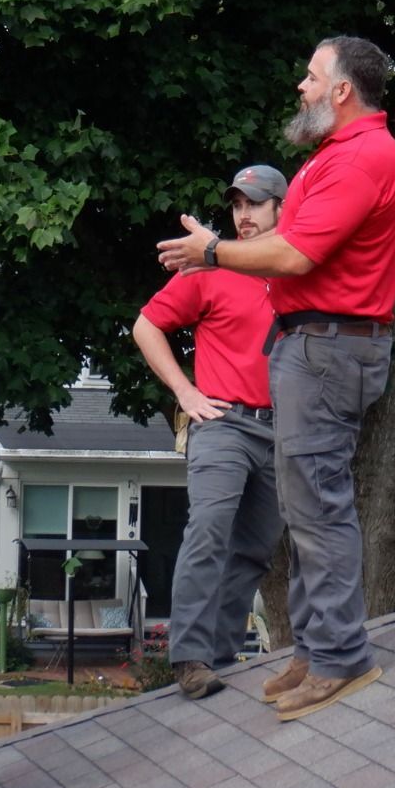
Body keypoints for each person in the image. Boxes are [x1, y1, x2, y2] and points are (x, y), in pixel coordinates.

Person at [157, 36, 395, 721]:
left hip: (330, 347)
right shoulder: (333, 158)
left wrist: (212, 250)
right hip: (313, 346)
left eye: (311, 75)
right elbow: (283, 252)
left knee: (319, 502)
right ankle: (316, 648)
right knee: (302, 505)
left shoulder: (363, 157)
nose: (300, 85)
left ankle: (340, 656)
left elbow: (295, 255)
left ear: (341, 91)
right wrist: (221, 256)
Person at [134, 164, 288, 699]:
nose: (243, 214)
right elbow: (146, 324)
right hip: (223, 423)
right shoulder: (208, 267)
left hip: (282, 432)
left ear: (280, 209)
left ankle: (220, 658)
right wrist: (184, 391)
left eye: (255, 203)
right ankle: (191, 658)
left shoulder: (294, 269)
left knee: (254, 551)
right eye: (237, 205)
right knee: (210, 530)